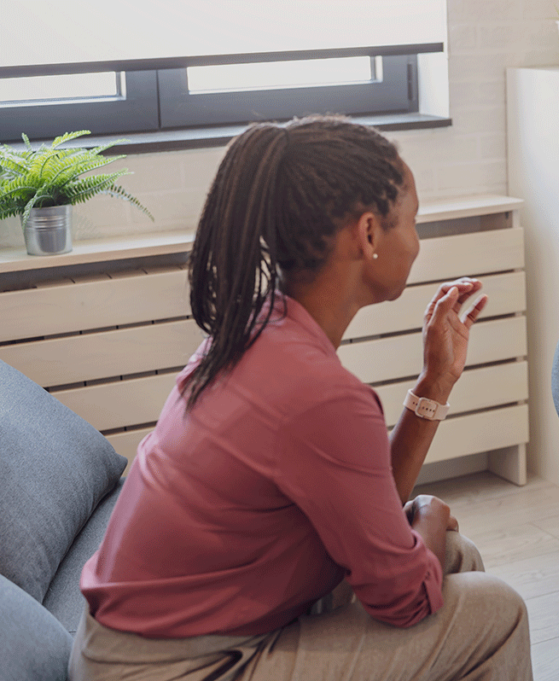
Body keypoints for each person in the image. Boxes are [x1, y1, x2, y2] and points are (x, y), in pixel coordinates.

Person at [70, 116, 533, 681]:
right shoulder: (318, 396)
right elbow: (406, 598)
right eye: (413, 221)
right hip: (166, 667)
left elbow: (371, 508)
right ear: (368, 235)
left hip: (155, 637)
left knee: (455, 560)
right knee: (496, 610)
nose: (417, 239)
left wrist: (435, 381)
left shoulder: (255, 328)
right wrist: (428, 516)